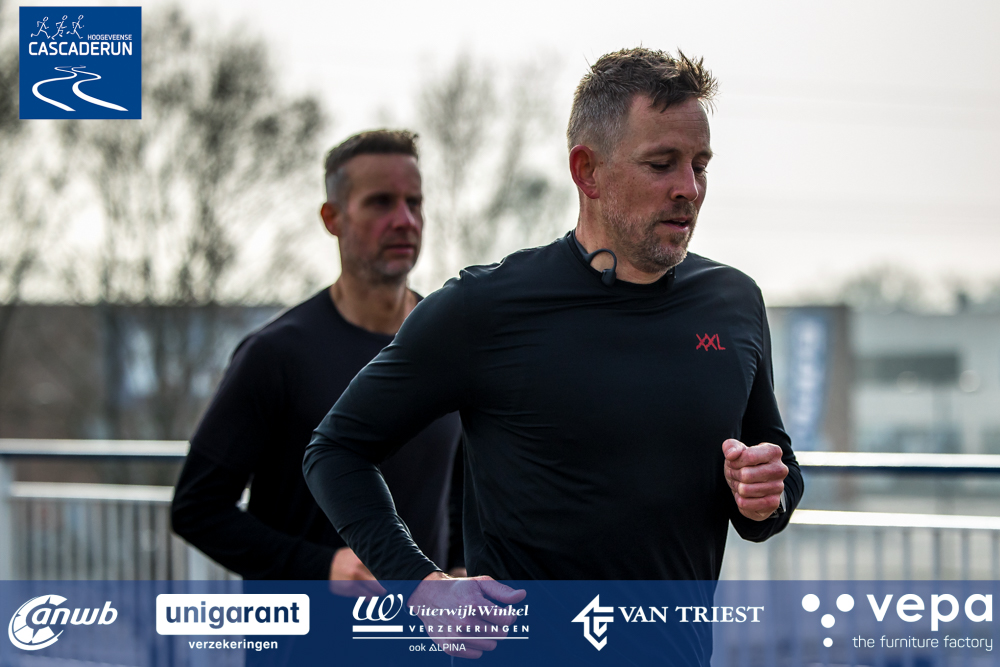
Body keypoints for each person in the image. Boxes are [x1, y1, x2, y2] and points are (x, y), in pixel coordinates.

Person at [303, 50, 802, 583]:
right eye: (661, 164)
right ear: (587, 171)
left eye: (699, 166)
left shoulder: (734, 302)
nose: (689, 188)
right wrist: (419, 585)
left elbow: (777, 475)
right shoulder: (485, 306)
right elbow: (335, 451)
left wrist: (765, 497)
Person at [172, 130, 463, 580]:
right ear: (333, 218)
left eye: (414, 203)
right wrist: (322, 567)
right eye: (381, 203)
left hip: (425, 622)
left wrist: (460, 566)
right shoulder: (275, 354)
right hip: (306, 624)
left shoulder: (449, 343)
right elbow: (196, 508)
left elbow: (463, 488)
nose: (404, 220)